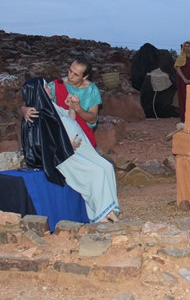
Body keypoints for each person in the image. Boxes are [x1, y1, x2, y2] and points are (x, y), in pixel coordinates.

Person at [21, 77, 120, 223]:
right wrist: (66, 147)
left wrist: (72, 108)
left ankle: (110, 209)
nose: (49, 88)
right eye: (45, 87)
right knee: (96, 172)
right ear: (38, 92)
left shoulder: (51, 106)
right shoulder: (37, 114)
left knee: (107, 167)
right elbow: (42, 145)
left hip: (76, 150)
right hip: (63, 156)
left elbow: (69, 121)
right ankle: (100, 214)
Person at [21, 55, 102, 147]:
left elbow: (92, 120)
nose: (70, 76)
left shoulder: (92, 90)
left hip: (84, 136)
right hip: (61, 137)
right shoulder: (56, 85)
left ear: (85, 77)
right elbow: (34, 98)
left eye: (76, 74)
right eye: (70, 71)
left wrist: (77, 108)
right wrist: (24, 109)